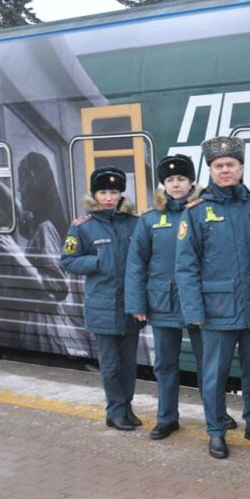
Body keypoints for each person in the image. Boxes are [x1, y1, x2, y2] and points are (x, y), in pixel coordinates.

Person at [175, 136, 250, 459]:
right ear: (210, 170)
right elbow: (185, 267)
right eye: (218, 165)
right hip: (215, 310)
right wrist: (193, 311)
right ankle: (216, 431)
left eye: (230, 164)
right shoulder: (196, 212)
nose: (225, 170)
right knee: (214, 374)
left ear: (242, 167)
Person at [126, 154, 229, 440]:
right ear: (163, 184)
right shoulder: (150, 219)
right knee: (165, 364)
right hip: (163, 302)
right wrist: (136, 302)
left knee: (208, 364)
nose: (175, 185)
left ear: (191, 181)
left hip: (201, 302)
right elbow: (136, 263)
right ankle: (167, 418)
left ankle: (216, 415)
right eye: (169, 180)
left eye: (181, 179)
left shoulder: (204, 211)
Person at [60, 166, 145, 431]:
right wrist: (98, 261)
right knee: (110, 365)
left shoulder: (134, 222)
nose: (109, 198)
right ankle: (114, 411)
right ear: (95, 195)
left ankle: (126, 407)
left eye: (114, 192)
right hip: (102, 306)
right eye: (103, 192)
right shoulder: (82, 227)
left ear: (121, 194)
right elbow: (68, 261)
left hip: (130, 305)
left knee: (129, 364)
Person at [0, 152, 87, 357]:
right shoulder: (45, 222)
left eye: (22, 181)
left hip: (43, 326)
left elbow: (56, 289)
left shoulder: (45, 228)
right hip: (43, 322)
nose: (19, 189)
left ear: (33, 180)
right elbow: (16, 211)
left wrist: (17, 255)